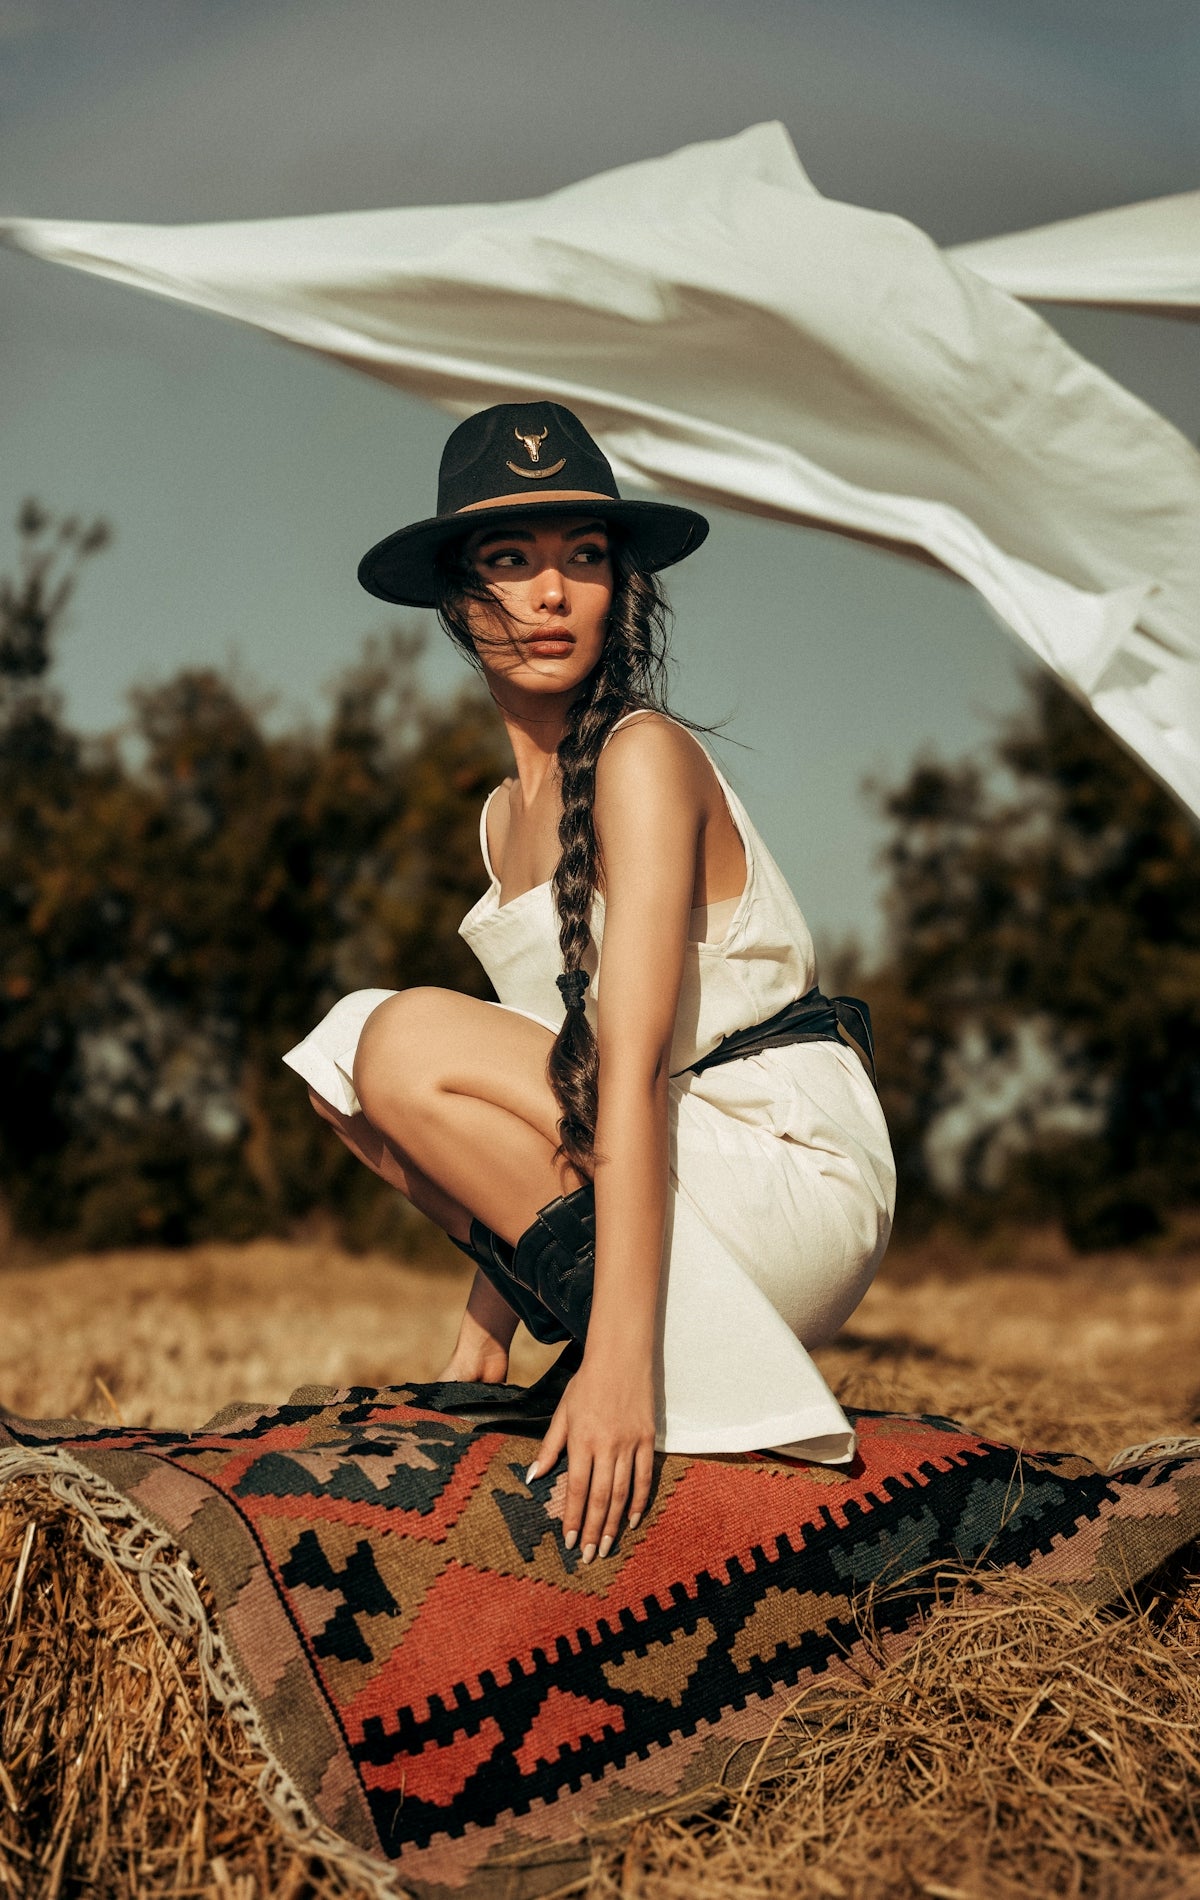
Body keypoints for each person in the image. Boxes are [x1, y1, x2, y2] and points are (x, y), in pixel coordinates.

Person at [284, 400, 895, 1567]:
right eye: (510, 561)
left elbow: (623, 1069)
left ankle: (650, 1351)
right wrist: (484, 1334)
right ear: (458, 599)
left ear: (621, 586)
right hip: (666, 1162)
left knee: (399, 1039)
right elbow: (542, 1079)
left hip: (779, 1171)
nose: (551, 594)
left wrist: (613, 1367)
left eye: (583, 557)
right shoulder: (501, 819)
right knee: (341, 1060)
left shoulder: (642, 755)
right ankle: (618, 1327)